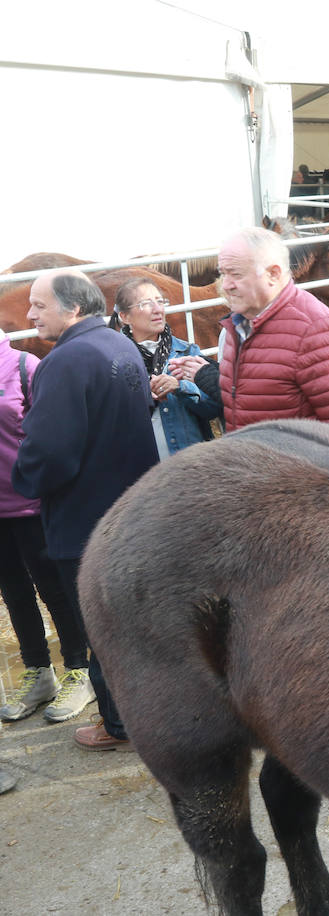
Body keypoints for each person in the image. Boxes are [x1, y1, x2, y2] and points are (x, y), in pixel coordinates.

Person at [13, 270, 160, 750]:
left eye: (38, 305)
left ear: (72, 308)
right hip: (130, 509)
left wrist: (24, 481)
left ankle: (119, 725)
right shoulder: (119, 346)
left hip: (85, 520)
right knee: (133, 624)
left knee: (102, 629)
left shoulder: (65, 361)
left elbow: (51, 452)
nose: (30, 315)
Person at [213, 227, 329, 439]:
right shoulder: (237, 328)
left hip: (296, 471)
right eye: (223, 273)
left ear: (273, 274)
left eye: (236, 274)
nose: (225, 285)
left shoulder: (317, 332)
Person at [0, 336, 85, 732]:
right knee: (13, 592)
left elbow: (51, 433)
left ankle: (79, 669)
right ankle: (38, 671)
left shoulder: (23, 365)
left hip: (31, 501)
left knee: (53, 588)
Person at [110, 279, 220, 458]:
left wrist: (181, 387)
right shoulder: (112, 361)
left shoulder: (186, 352)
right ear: (125, 317)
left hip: (188, 465)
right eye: (146, 303)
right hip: (139, 469)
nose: (158, 309)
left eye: (160, 301)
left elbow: (213, 409)